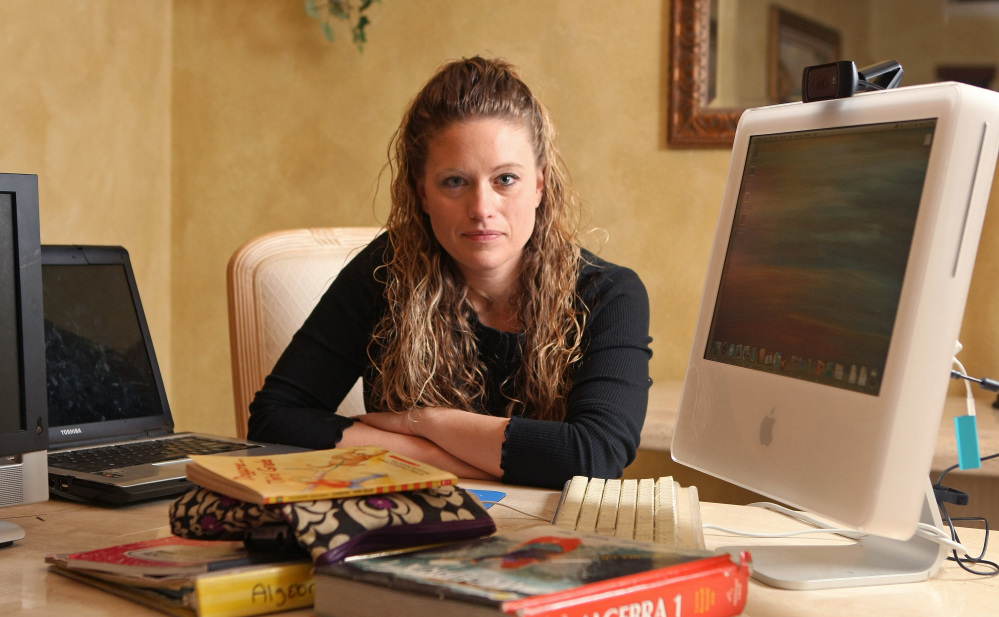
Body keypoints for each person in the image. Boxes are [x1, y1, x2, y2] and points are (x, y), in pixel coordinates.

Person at [247, 56, 652, 489]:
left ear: (539, 185)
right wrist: (438, 458)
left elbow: (595, 454)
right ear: (422, 193)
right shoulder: (385, 271)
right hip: (411, 532)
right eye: (455, 181)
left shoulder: (609, 294)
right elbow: (273, 421)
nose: (481, 209)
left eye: (506, 179)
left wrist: (426, 422)